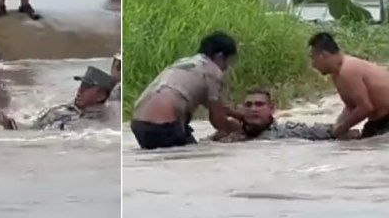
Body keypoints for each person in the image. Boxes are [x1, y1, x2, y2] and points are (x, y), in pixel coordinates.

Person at [131, 32, 244, 150]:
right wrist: (241, 131)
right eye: (229, 61)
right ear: (220, 56)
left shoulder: (184, 62)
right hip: (163, 126)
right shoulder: (213, 72)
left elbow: (216, 106)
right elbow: (218, 121)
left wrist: (238, 115)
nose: (227, 67)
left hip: (138, 124)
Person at [309, 32, 389, 139]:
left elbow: (365, 107)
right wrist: (337, 127)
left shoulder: (348, 70)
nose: (313, 64)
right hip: (380, 120)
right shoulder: (337, 74)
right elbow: (351, 106)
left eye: (313, 58)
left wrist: (342, 129)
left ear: (323, 56)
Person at [0, 66, 114, 130]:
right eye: (81, 85)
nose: (80, 90)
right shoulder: (64, 109)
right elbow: (34, 128)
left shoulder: (97, 124)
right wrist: (10, 123)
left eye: (87, 86)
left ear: (101, 96)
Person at [211, 89, 358, 142]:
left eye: (259, 104)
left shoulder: (290, 130)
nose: (254, 109)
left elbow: (332, 131)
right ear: (241, 109)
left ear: (272, 109)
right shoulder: (229, 136)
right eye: (248, 105)